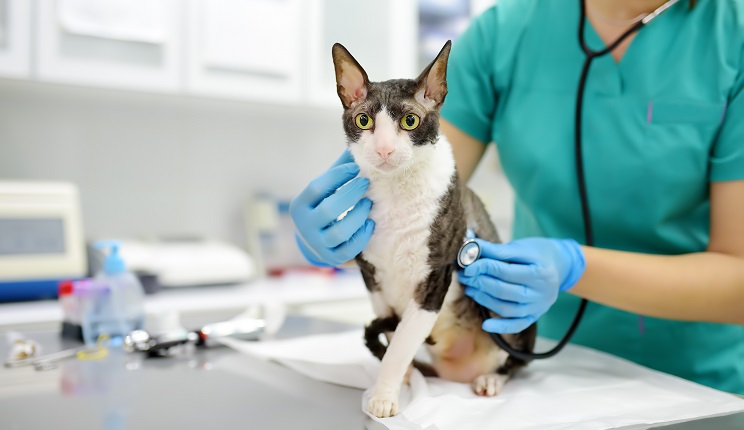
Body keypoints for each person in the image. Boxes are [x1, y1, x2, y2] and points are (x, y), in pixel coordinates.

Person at [290, 0, 744, 395]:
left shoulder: (734, 35)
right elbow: (422, 185)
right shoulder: (504, 32)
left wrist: (574, 266)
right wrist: (339, 225)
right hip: (522, 357)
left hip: (695, 379)